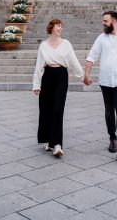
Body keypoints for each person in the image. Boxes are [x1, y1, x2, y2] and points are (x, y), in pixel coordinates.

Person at [84, 10, 117, 162]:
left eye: (105, 21)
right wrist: (87, 74)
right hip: (106, 80)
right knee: (109, 111)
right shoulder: (102, 38)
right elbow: (92, 56)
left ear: (114, 21)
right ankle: (112, 138)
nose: (103, 24)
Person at [33, 18, 85, 157]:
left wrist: (82, 76)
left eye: (62, 26)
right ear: (51, 27)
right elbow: (39, 65)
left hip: (61, 76)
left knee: (57, 109)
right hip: (48, 76)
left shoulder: (66, 44)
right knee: (46, 109)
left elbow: (73, 61)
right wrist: (36, 85)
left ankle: (57, 144)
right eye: (58, 26)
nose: (60, 28)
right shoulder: (43, 45)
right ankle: (50, 142)